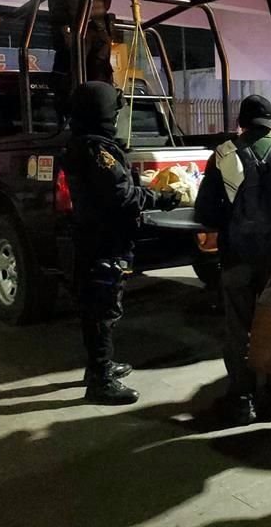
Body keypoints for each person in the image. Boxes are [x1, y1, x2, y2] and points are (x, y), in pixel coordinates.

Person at [61, 82, 180, 404]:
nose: (116, 116)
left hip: (95, 238)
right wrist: (162, 197)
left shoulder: (84, 144)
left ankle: (99, 366)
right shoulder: (97, 151)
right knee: (103, 308)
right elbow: (122, 198)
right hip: (104, 241)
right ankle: (100, 381)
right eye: (113, 110)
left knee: (98, 305)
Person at [194, 95, 271, 426]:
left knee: (238, 327)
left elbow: (207, 211)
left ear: (241, 122)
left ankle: (241, 399)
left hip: (236, 255)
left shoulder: (223, 155)